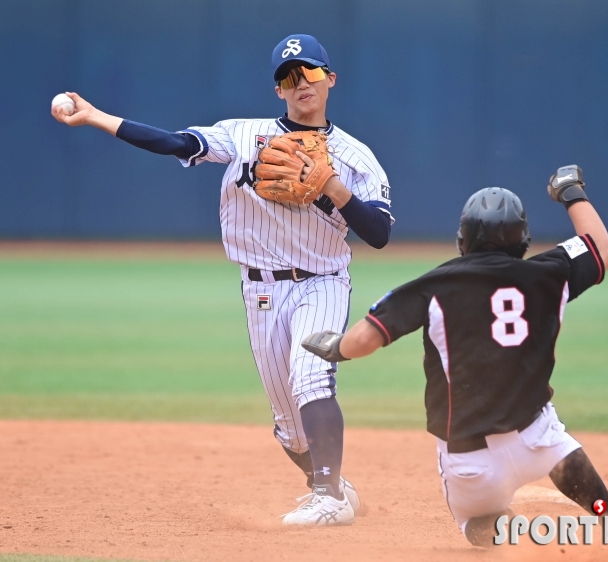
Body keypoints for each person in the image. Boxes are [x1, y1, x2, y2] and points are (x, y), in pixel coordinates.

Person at [51, 34, 394, 526]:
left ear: (330, 78)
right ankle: (332, 485)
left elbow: (378, 233)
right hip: (259, 291)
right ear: (278, 90)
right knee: (290, 431)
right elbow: (176, 143)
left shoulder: (356, 156)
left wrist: (331, 186)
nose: (301, 84)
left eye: (311, 73)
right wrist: (96, 116)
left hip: (322, 282)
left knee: (312, 373)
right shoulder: (242, 134)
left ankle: (330, 500)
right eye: (288, 77)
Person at [302, 166, 608, 550]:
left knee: (475, 522)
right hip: (537, 440)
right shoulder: (550, 272)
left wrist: (336, 347)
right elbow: (602, 248)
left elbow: (365, 339)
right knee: (558, 449)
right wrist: (570, 191)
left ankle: (509, 534)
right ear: (523, 239)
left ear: (461, 240)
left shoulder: (435, 284)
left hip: (471, 465)